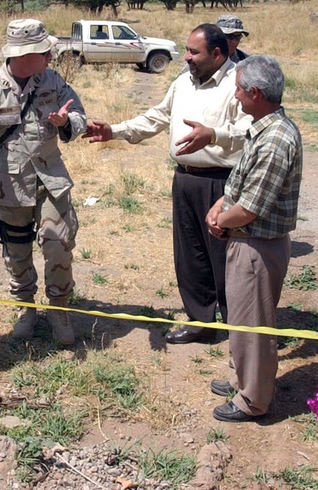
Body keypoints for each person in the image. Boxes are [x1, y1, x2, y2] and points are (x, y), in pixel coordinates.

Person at [84, 24, 251, 344]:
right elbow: (157, 117)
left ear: (218, 54)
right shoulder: (182, 83)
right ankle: (201, 321)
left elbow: (251, 132)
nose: (186, 57)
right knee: (191, 255)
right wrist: (115, 131)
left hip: (223, 182)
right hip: (185, 179)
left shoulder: (238, 84)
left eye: (193, 52)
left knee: (227, 257)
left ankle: (238, 328)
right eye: (186, 50)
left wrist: (214, 135)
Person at [0, 19, 87, 346]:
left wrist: (65, 121)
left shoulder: (53, 80)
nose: (50, 56)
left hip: (50, 180)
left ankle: (59, 308)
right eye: (44, 51)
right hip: (8, 185)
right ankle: (25, 306)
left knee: (57, 243)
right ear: (24, 55)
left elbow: (80, 118)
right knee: (16, 251)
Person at [205, 55, 303, 422]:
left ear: (256, 93)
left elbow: (250, 208)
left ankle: (253, 400)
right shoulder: (264, 129)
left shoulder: (275, 139)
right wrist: (219, 208)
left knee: (254, 327)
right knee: (243, 322)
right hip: (247, 241)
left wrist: (220, 221)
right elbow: (240, 188)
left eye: (239, 89)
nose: (235, 95)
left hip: (257, 245)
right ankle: (241, 379)